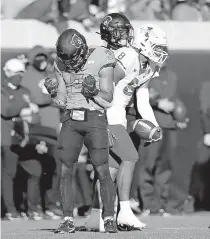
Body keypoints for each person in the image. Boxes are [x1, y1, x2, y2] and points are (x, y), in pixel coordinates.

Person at [87, 16, 166, 231]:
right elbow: (107, 83)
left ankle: (95, 217)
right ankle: (124, 211)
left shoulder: (149, 65)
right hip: (107, 113)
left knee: (110, 170)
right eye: (157, 46)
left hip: (118, 113)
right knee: (130, 157)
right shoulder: (129, 56)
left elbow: (142, 97)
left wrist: (153, 123)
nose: (160, 51)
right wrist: (99, 118)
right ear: (144, 43)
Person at [44, 28, 117, 234]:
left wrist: (93, 91)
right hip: (70, 120)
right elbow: (62, 101)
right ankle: (67, 219)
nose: (71, 64)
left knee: (102, 169)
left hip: (95, 117)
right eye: (66, 60)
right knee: (66, 170)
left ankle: (109, 216)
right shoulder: (60, 63)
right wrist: (53, 94)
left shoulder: (102, 56)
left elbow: (108, 99)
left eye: (74, 59)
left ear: (83, 49)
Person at [1, 58, 39, 220]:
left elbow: (36, 115)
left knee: (35, 171)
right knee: (10, 174)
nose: (19, 76)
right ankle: (11, 210)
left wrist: (31, 114)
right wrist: (24, 109)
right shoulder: (2, 91)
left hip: (26, 140)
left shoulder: (25, 92)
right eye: (16, 73)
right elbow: (6, 111)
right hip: (8, 140)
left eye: (21, 73)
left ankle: (32, 208)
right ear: (7, 73)